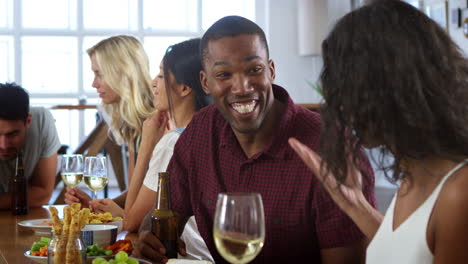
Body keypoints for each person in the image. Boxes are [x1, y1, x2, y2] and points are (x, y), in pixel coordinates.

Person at [136, 16, 375, 264]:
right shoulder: (200, 132)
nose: (241, 87)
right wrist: (148, 238)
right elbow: (162, 214)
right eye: (224, 74)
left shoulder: (330, 147)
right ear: (205, 83)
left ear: (270, 70)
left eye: (254, 70)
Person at [288, 0, 468, 263]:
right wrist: (355, 205)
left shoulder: (458, 195)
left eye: (352, 91)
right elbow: (406, 252)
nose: (344, 108)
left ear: (395, 88)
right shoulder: (413, 174)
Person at [64, 35, 154, 210]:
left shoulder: (157, 122)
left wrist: (116, 212)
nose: (94, 84)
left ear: (123, 73)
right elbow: (136, 192)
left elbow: (158, 199)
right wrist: (94, 204)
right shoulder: (133, 123)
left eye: (100, 74)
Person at [0, 82, 61, 208]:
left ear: (28, 121)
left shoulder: (42, 120)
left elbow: (42, 194)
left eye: (12, 134)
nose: (4, 145)